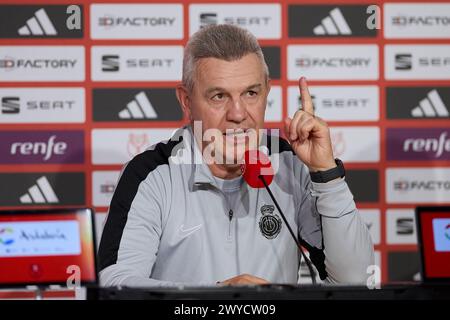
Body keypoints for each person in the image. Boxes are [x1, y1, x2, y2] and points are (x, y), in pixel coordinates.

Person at [98, 24, 374, 287]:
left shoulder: (291, 165)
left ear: (267, 92)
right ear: (186, 100)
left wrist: (326, 174)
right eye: (219, 96)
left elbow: (357, 283)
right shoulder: (151, 173)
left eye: (251, 93)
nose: (239, 114)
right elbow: (116, 284)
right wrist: (219, 298)